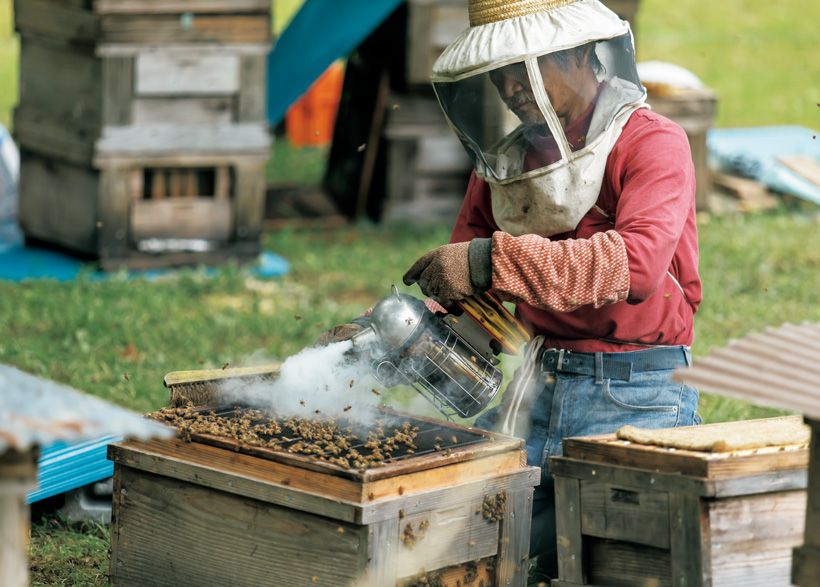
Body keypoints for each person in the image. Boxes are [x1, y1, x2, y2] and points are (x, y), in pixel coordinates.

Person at [398, 0, 701, 583]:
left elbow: (634, 267)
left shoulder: (654, 144)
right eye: (499, 73)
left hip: (636, 395)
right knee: (487, 557)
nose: (510, 87)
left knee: (618, 568)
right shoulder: (507, 164)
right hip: (535, 388)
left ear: (581, 54)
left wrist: (490, 261)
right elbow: (465, 293)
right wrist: (399, 332)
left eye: (525, 67)